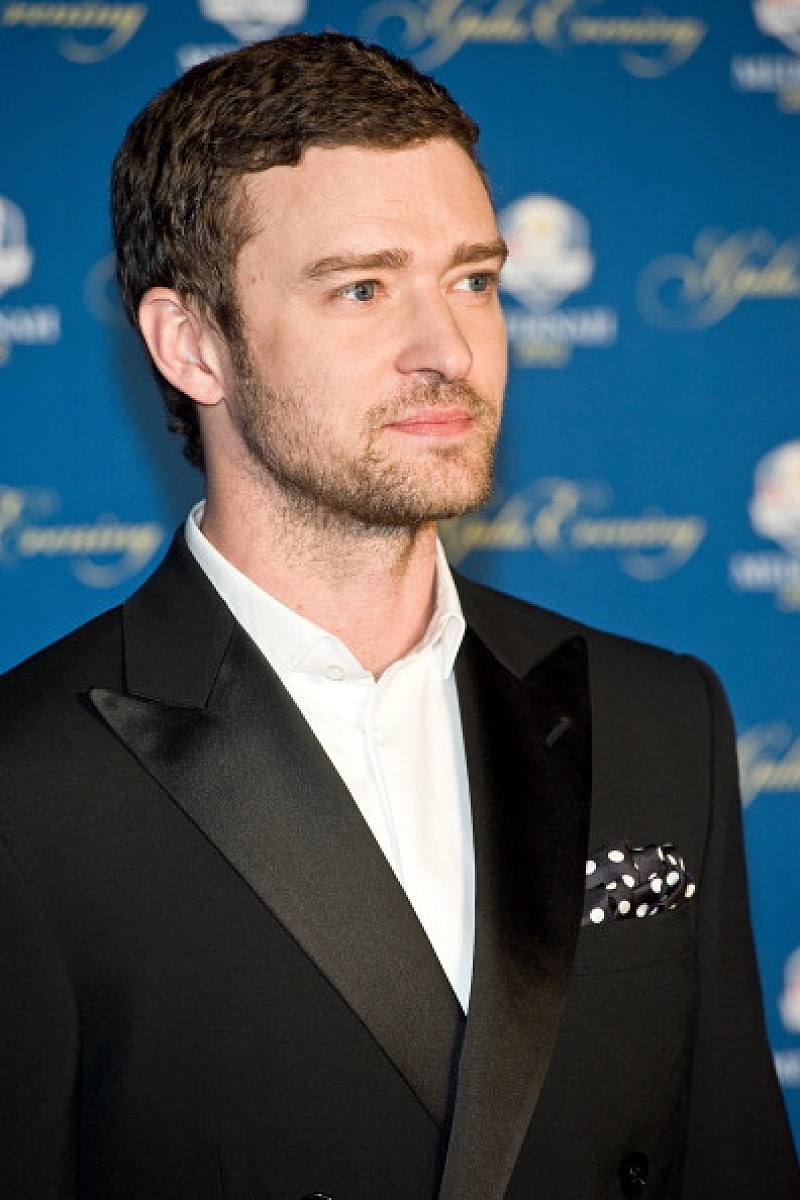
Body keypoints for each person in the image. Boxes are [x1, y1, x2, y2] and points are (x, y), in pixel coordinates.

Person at [0, 31, 796, 1200]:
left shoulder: (655, 714)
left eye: (471, 281)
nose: (447, 350)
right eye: (363, 289)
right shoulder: (26, 783)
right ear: (192, 345)